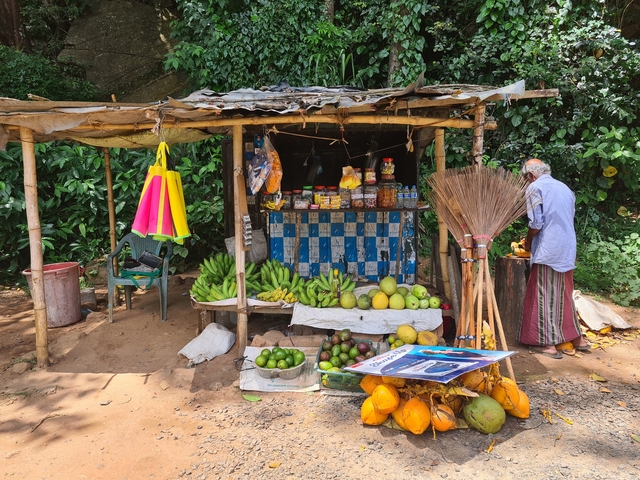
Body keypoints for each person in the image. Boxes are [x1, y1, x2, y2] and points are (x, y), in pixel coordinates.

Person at [518, 158, 589, 359]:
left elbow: (536, 223)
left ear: (530, 175)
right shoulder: (565, 188)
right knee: (565, 293)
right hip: (566, 247)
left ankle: (548, 344)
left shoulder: (534, 188)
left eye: (525, 178)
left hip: (548, 248)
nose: (526, 182)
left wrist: (528, 241)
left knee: (543, 295)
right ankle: (576, 338)